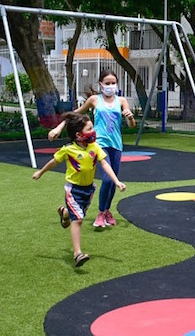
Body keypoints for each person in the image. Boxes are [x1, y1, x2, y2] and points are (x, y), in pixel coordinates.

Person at [32, 112, 125, 267]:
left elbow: (104, 164)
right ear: (78, 134)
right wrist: (40, 172)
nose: (93, 131)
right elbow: (53, 162)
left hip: (88, 190)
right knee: (79, 220)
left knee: (77, 214)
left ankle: (64, 212)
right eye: (89, 128)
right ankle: (77, 254)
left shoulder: (95, 147)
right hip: (73, 189)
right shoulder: (68, 149)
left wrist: (116, 181)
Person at [47, 70, 136, 229]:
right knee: (108, 179)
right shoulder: (94, 100)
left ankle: (107, 211)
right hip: (98, 143)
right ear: (100, 84)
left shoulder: (122, 100)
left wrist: (130, 117)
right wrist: (58, 128)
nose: (110, 86)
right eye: (107, 83)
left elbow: (131, 125)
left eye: (113, 83)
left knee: (112, 181)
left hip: (116, 144)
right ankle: (101, 213)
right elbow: (74, 115)